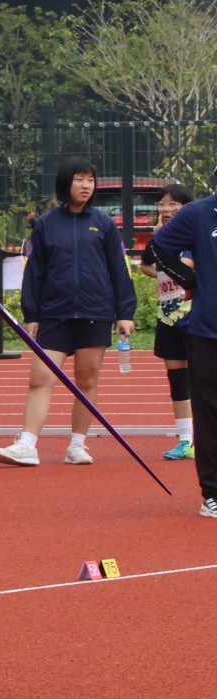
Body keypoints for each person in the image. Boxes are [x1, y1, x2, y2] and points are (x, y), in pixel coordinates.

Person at [0, 156, 136, 467]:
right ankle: (27, 444)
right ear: (65, 183)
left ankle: (77, 445)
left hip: (95, 311)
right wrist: (32, 313)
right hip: (54, 314)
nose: (86, 185)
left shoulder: (105, 223)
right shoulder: (45, 225)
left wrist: (125, 311)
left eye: (91, 180)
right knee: (40, 378)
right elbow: (36, 272)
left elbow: (118, 270)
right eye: (79, 179)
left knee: (87, 381)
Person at [145, 179, 217, 518]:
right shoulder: (198, 213)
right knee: (210, 412)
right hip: (208, 329)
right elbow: (159, 246)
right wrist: (190, 282)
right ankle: (213, 493)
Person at [139, 184, 195, 460]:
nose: (167, 210)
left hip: (195, 313)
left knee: (206, 377)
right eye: (162, 204)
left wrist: (161, 246)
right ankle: (186, 440)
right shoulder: (159, 237)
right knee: (177, 378)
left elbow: (186, 266)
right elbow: (145, 265)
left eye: (174, 204)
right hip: (167, 316)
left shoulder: (192, 234)